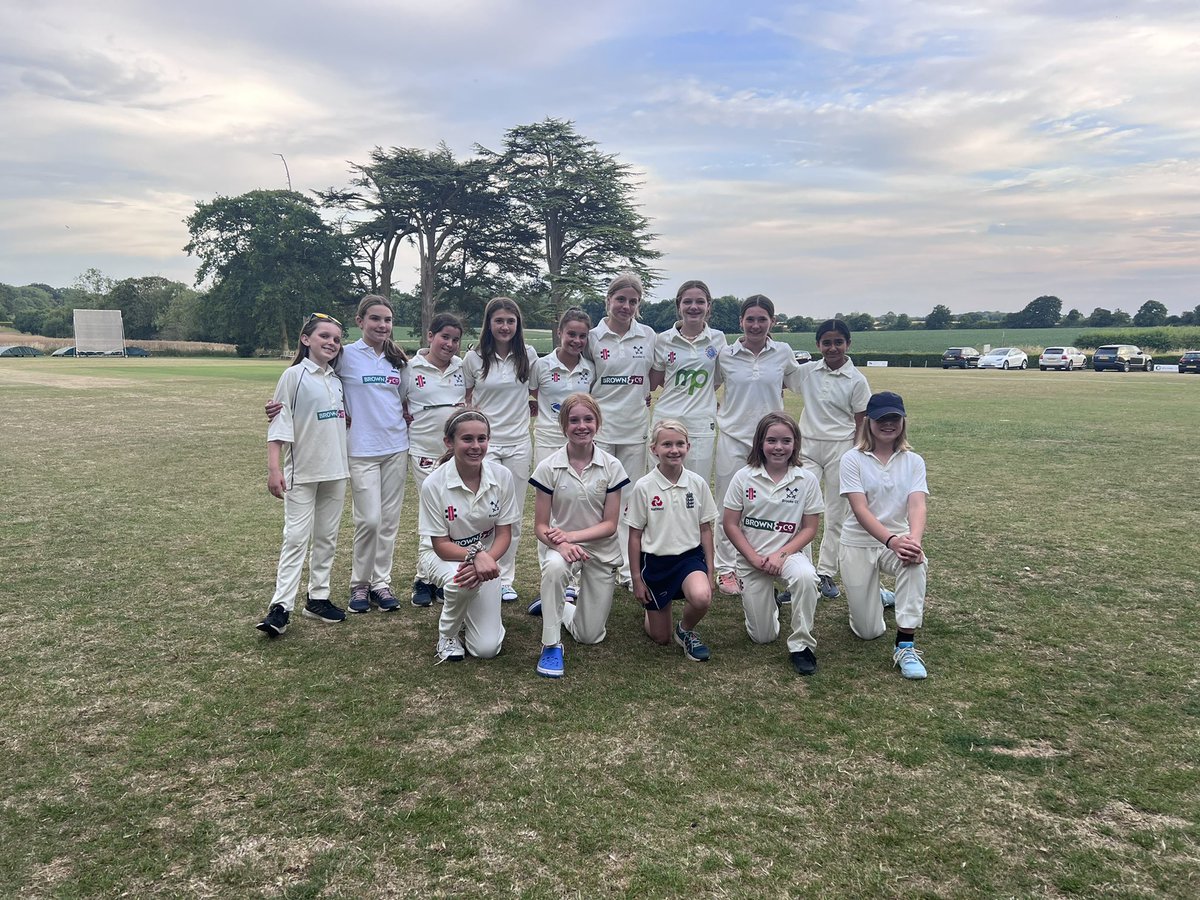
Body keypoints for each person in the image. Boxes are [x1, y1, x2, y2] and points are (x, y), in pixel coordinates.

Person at [263, 296, 411, 613]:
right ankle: (360, 585)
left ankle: (381, 583)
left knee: (388, 522)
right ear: (360, 321)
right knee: (369, 520)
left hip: (396, 447)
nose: (382, 325)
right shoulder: (345, 355)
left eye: (387, 320)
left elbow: (403, 399)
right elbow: (310, 378)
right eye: (375, 318)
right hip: (358, 449)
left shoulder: (397, 359)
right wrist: (276, 408)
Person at [257, 313, 350, 636]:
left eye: (336, 339)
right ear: (306, 339)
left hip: (336, 471)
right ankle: (281, 607)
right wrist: (274, 469)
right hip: (303, 473)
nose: (331, 343)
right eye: (324, 336)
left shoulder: (337, 380)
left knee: (327, 537)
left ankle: (318, 598)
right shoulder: (293, 376)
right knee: (296, 538)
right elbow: (279, 424)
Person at [528, 393, 627, 678]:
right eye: (573, 420)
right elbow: (540, 526)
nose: (581, 426)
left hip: (600, 550)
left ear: (598, 423)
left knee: (589, 635)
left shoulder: (612, 466)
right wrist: (561, 544)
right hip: (561, 547)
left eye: (588, 419)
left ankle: (559, 606)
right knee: (555, 568)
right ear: (563, 426)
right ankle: (551, 644)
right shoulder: (548, 467)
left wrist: (569, 536)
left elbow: (610, 525)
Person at [712, 295, 802, 596]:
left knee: (775, 505)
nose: (755, 325)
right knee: (728, 505)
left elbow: (801, 383)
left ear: (772, 322)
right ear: (741, 321)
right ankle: (726, 568)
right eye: (750, 319)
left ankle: (781, 561)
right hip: (733, 438)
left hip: (772, 442)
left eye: (762, 319)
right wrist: (718, 412)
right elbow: (706, 387)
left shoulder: (783, 352)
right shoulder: (726, 354)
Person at [721, 413, 824, 675]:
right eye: (771, 440)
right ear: (760, 442)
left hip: (788, 555)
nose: (779, 447)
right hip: (752, 559)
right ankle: (771, 603)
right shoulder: (743, 477)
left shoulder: (806, 479)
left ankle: (801, 645)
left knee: (806, 577)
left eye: (786, 441)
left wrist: (780, 555)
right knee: (763, 637)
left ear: (795, 443)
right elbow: (730, 524)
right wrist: (753, 558)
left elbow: (810, 528)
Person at [839, 391, 930, 679]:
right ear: (869, 421)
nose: (888, 424)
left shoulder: (913, 461)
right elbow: (860, 509)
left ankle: (905, 645)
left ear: (903, 421)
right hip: (858, 542)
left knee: (916, 561)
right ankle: (877, 595)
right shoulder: (852, 459)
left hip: (898, 539)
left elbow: (917, 504)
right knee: (867, 631)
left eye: (894, 418)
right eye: (881, 419)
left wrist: (913, 542)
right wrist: (891, 541)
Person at [418, 409, 519, 663]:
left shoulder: (502, 476)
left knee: (486, 649)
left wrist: (485, 559)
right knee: (459, 582)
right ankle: (448, 635)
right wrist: (476, 556)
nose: (476, 446)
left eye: (481, 439)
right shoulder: (433, 484)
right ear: (449, 442)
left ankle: (467, 608)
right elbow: (440, 545)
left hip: (485, 560)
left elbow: (504, 533)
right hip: (442, 556)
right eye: (467, 439)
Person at [788, 318, 871, 600]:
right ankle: (802, 571)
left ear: (848, 344)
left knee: (836, 513)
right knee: (800, 509)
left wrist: (856, 454)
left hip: (841, 449)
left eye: (838, 342)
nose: (832, 348)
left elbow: (861, 421)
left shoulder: (857, 379)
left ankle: (825, 572)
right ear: (818, 344)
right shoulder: (808, 371)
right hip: (807, 447)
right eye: (826, 343)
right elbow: (778, 376)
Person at [463, 297, 538, 603]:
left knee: (512, 515)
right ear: (489, 324)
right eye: (499, 321)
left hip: (519, 443)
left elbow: (536, 391)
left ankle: (505, 578)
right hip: (486, 446)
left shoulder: (528, 355)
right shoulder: (474, 358)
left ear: (517, 324)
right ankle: (480, 569)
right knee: (484, 514)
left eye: (510, 321)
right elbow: (465, 397)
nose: (505, 326)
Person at [626, 420, 717, 662]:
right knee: (660, 638)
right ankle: (653, 611)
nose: (674, 450)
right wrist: (636, 579)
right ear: (654, 449)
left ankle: (685, 630)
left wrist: (710, 571)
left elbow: (705, 530)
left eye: (679, 444)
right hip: (656, 563)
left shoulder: (697, 483)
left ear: (688, 447)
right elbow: (634, 536)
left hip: (689, 559)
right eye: (667, 444)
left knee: (702, 597)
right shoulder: (644, 487)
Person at [589, 272, 656, 587]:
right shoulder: (593, 337)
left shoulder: (648, 335)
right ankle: (599, 565)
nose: (626, 306)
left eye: (633, 301)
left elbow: (655, 376)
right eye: (620, 299)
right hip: (601, 429)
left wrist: (644, 394)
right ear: (609, 300)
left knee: (629, 500)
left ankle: (630, 570)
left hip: (635, 428)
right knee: (598, 497)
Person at [529, 306, 596, 602]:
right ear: (560, 333)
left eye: (582, 336)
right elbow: (531, 394)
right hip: (548, 441)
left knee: (579, 508)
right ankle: (550, 576)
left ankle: (576, 579)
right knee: (549, 513)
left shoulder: (589, 368)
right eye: (571, 334)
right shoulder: (541, 366)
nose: (576, 341)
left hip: (579, 444)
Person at [405, 313, 467, 607]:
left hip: (455, 456)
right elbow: (396, 402)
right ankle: (422, 578)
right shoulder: (410, 368)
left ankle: (444, 576)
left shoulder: (462, 367)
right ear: (430, 336)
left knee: (452, 516)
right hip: (424, 451)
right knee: (432, 515)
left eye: (455, 339)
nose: (450, 344)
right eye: (445, 337)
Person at [649, 280, 725, 482]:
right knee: (659, 485)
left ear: (708, 306)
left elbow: (717, 379)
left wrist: (701, 393)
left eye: (700, 302)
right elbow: (655, 381)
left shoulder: (718, 339)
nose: (693, 307)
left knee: (695, 484)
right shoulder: (663, 339)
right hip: (666, 420)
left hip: (701, 424)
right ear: (678, 305)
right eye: (687, 302)